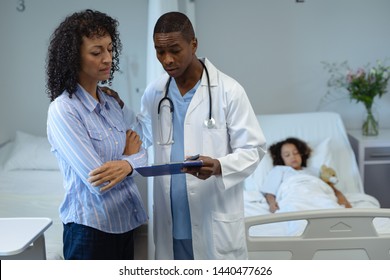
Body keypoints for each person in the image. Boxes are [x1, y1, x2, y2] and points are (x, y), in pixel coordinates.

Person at [106, 11, 266, 260]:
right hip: (172, 218)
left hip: (212, 216)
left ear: (194, 44)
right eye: (160, 51)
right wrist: (120, 108)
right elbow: (145, 136)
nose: (167, 59)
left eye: (175, 50)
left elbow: (254, 150)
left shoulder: (229, 91)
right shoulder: (155, 92)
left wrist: (218, 166)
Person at [45, 9, 148, 260]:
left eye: (110, 49)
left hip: (126, 224)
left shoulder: (112, 104)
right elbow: (98, 179)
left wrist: (127, 162)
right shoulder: (64, 109)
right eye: (96, 52)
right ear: (74, 57)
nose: (107, 58)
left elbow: (146, 149)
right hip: (89, 231)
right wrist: (129, 161)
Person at [261, 137, 351, 213]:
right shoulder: (279, 170)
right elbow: (270, 193)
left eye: (295, 153)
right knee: (294, 211)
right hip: (294, 195)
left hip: (318, 194)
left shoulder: (314, 171)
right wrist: (272, 204)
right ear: (281, 158)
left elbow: (331, 189)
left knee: (330, 208)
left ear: (301, 154)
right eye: (287, 155)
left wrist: (343, 201)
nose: (293, 157)